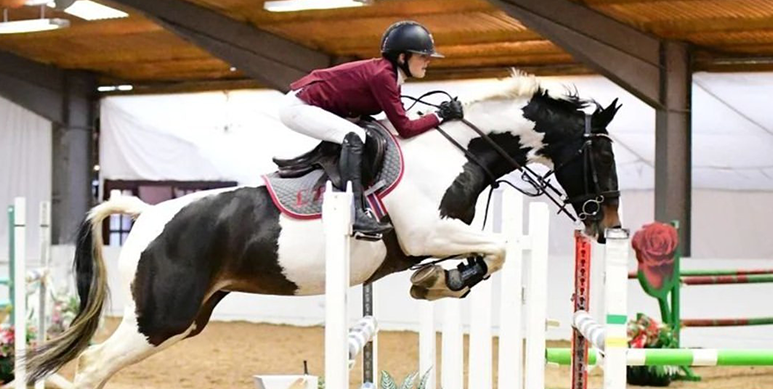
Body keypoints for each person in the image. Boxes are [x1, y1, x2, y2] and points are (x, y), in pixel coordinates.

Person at [279, 20, 465, 240]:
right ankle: (355, 212)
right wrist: (440, 116)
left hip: (319, 106)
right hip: (299, 108)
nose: (428, 61)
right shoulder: (383, 76)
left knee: (372, 130)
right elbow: (405, 129)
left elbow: (398, 124)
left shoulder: (391, 75)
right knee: (355, 136)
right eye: (422, 56)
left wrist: (434, 115)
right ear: (402, 57)